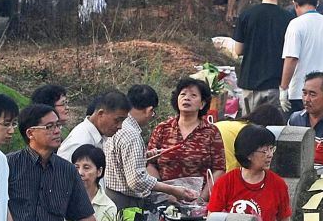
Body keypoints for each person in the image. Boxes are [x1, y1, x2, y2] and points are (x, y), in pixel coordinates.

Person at [103, 84, 198, 212]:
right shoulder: (132, 135)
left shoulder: (118, 126)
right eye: (153, 113)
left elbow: (120, 161)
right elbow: (136, 180)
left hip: (110, 194)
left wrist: (144, 157)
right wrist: (172, 190)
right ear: (149, 110)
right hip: (124, 203)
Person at [208, 126, 293, 221]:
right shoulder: (225, 183)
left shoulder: (278, 184)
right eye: (264, 151)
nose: (270, 155)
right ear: (248, 154)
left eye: (271, 149)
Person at [146, 78, 225, 200]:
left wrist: (201, 199)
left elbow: (219, 169)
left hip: (198, 201)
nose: (186, 98)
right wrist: (164, 192)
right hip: (164, 200)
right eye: (182, 94)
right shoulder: (163, 128)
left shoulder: (211, 132)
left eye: (193, 95)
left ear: (202, 104)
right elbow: (150, 163)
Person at [233, 0, 292, 115]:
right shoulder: (288, 18)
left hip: (250, 82)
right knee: (274, 129)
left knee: (250, 129)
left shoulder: (246, 15)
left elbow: (238, 50)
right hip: (275, 83)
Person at [279, 0, 323, 113]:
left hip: (302, 93)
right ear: (316, 3)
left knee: (299, 132)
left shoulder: (296, 24)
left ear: (295, 4)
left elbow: (291, 58)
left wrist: (283, 89)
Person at [58, 89, 129, 162]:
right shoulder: (80, 142)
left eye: (122, 121)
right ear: (101, 114)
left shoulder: (99, 137)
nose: (120, 126)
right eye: (117, 120)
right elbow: (62, 171)